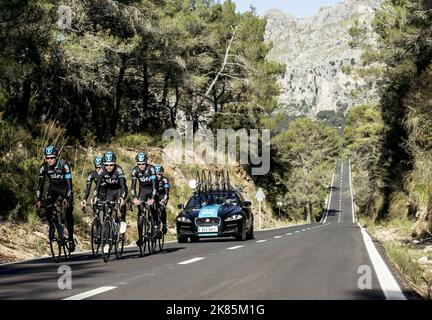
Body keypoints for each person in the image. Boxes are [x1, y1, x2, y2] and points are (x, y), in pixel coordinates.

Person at [36, 145, 75, 252]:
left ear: (56, 156)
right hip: (53, 189)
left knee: (68, 211)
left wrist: (67, 198)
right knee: (48, 205)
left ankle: (71, 238)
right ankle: (52, 227)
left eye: (52, 157)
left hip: (65, 189)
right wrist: (39, 199)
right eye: (47, 158)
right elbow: (40, 185)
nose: (49, 160)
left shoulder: (64, 165)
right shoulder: (44, 167)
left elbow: (70, 184)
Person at [93, 151, 127, 234]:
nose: (109, 167)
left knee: (121, 203)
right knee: (108, 211)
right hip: (110, 190)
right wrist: (95, 196)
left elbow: (123, 185)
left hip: (119, 189)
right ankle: (109, 234)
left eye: (111, 165)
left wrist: (122, 197)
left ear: (114, 163)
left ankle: (123, 221)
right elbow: (97, 185)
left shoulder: (118, 170)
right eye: (107, 165)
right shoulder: (102, 169)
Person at [131, 152, 158, 245]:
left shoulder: (151, 169)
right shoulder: (135, 170)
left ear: (146, 162)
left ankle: (155, 227)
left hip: (152, 190)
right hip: (142, 191)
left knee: (153, 207)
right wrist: (134, 198)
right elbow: (133, 186)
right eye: (139, 164)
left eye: (143, 164)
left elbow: (155, 185)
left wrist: (153, 198)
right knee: (140, 213)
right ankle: (140, 238)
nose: (141, 166)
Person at [155, 164, 170, 235]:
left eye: (159, 174)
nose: (157, 176)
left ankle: (164, 225)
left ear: (162, 174)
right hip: (155, 196)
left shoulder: (165, 180)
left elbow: (167, 192)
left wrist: (164, 200)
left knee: (162, 209)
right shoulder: (152, 179)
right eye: (156, 174)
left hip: (163, 196)